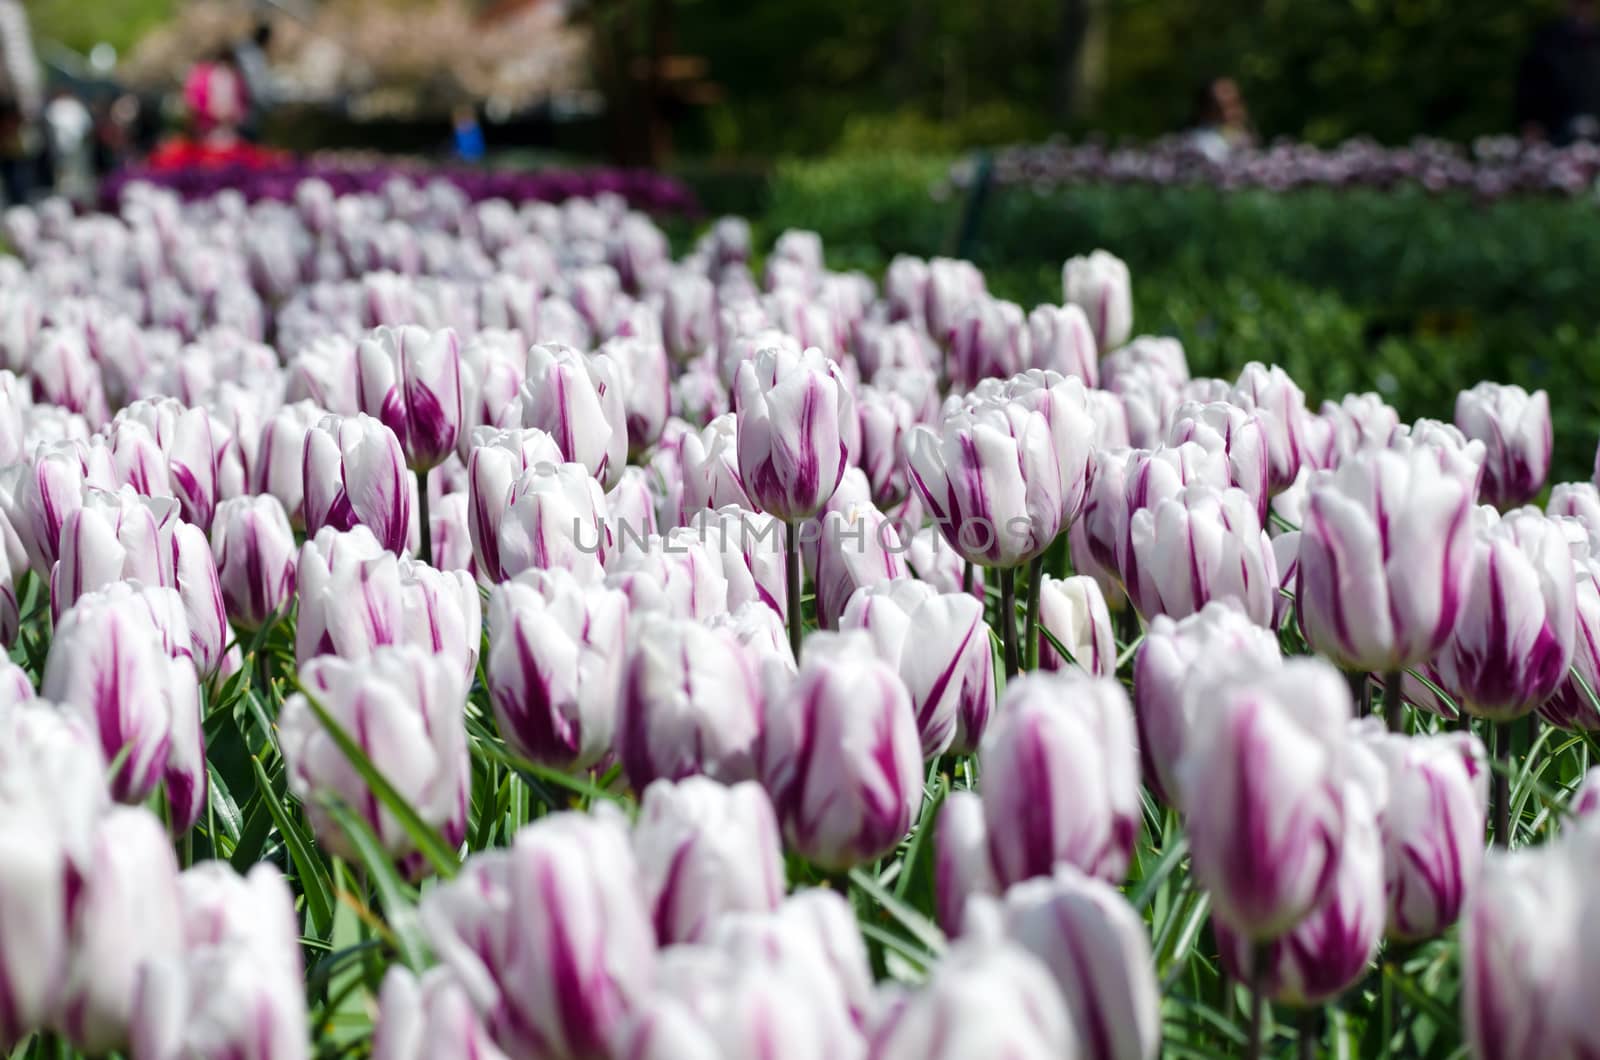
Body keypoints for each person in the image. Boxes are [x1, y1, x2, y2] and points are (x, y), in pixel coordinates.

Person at [1516, 0, 1600, 144]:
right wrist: (1531, 121)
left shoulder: (1596, 38)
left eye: (1587, 3)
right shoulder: (1547, 39)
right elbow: (1530, 83)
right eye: (1578, 3)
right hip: (1555, 127)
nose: (1582, 8)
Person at [0, 0, 42, 206]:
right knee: (16, 163)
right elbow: (18, 60)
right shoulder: (7, 10)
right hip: (6, 102)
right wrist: (28, 100)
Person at [1187, 77, 1254, 162]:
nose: (1234, 112)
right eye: (1222, 107)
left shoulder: (1244, 137)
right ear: (1206, 111)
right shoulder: (1199, 146)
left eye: (1236, 102)